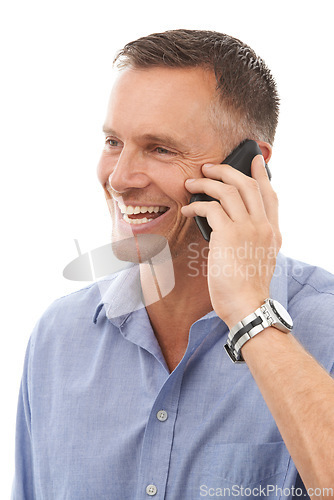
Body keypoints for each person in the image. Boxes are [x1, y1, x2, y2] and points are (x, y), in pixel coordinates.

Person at [12, 30, 334, 499]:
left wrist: (250, 310)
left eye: (160, 148)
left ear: (249, 167)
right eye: (113, 142)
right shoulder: (58, 339)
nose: (119, 179)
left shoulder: (327, 328)